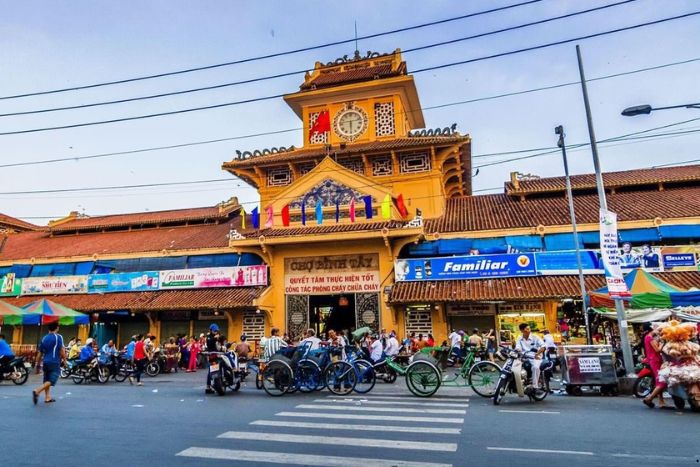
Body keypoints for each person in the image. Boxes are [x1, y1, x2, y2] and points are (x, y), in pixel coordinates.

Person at [32, 322, 65, 405]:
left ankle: (47, 397)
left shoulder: (44, 338)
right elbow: (61, 350)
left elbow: (40, 353)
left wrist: (37, 363)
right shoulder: (58, 337)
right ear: (57, 328)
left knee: (46, 380)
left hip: (45, 362)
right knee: (52, 380)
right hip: (54, 361)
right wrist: (65, 360)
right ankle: (37, 391)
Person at [641, 323, 665, 408]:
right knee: (661, 382)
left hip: (655, 360)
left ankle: (661, 402)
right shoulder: (649, 337)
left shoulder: (649, 337)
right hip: (655, 361)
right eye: (655, 328)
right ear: (651, 328)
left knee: (659, 381)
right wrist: (662, 342)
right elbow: (657, 349)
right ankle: (649, 399)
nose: (657, 329)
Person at [515, 323, 545, 388]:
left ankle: (535, 386)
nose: (529, 330)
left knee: (535, 367)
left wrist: (537, 354)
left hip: (535, 357)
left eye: (529, 329)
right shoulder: (519, 338)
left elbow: (543, 346)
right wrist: (517, 350)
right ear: (522, 330)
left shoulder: (535, 337)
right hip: (524, 357)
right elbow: (518, 347)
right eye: (527, 329)